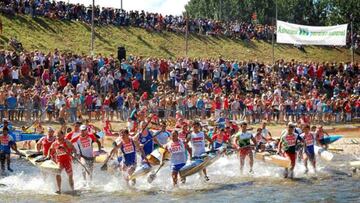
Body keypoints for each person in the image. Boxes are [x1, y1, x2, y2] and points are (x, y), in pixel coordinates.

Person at [47, 130, 76, 194]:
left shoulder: (67, 142)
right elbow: (50, 149)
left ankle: (73, 190)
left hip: (67, 161)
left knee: (70, 176)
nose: (58, 137)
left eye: (59, 135)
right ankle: (59, 190)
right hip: (60, 161)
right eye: (57, 136)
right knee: (58, 173)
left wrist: (73, 154)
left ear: (63, 135)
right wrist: (48, 156)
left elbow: (74, 149)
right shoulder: (55, 143)